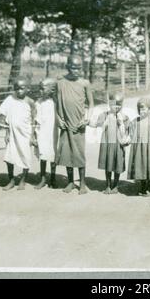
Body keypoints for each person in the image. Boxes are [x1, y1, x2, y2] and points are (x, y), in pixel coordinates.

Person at [56, 55, 94, 195]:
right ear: (67, 66)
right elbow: (56, 103)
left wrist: (87, 119)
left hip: (79, 125)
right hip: (65, 123)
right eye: (73, 67)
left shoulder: (85, 83)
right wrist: (58, 119)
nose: (75, 70)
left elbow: (91, 104)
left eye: (78, 68)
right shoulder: (60, 83)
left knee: (79, 154)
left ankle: (82, 183)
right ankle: (70, 182)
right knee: (67, 154)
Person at [0, 77, 36, 191]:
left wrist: (32, 136)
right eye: (16, 88)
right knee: (9, 158)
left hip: (25, 134)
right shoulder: (10, 99)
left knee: (25, 157)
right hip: (13, 134)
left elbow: (33, 120)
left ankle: (23, 180)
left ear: (27, 89)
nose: (19, 91)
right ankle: (11, 180)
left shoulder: (30, 102)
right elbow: (6, 118)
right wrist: (7, 133)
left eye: (22, 88)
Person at [88, 92, 130, 194]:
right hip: (107, 145)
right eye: (113, 104)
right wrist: (88, 122)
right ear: (109, 104)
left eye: (119, 104)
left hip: (118, 145)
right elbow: (96, 124)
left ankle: (115, 185)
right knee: (108, 164)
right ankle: (107, 185)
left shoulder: (124, 117)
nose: (116, 107)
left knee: (117, 164)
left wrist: (121, 124)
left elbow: (128, 132)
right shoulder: (104, 115)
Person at [127, 98, 150, 197]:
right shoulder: (135, 121)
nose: (141, 111)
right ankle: (142, 186)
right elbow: (131, 134)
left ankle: (149, 187)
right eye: (139, 109)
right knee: (140, 167)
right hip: (139, 149)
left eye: (144, 109)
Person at [34, 78, 58, 189]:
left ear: (51, 90)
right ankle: (43, 178)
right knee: (43, 155)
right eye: (39, 89)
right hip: (42, 133)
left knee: (53, 155)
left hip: (53, 133)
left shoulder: (55, 103)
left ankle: (53, 178)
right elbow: (35, 119)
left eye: (43, 89)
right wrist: (35, 135)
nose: (40, 91)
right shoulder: (38, 103)